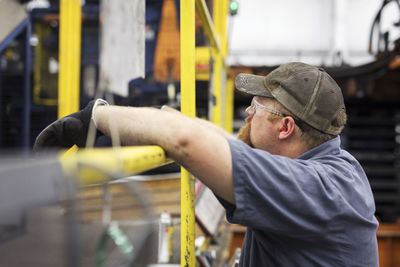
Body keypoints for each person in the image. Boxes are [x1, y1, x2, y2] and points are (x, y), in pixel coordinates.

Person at [34, 62, 379, 266]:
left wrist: (96, 117)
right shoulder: (336, 169)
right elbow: (219, 141)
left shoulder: (314, 190)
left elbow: (187, 142)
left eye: (256, 107)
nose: (247, 113)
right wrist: (168, 120)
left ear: (285, 127)